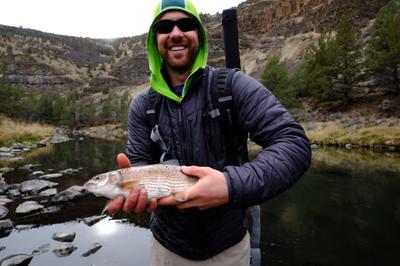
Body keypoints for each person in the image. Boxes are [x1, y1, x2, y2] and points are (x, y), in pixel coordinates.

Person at [107, 0, 312, 265]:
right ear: (154, 40)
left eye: (187, 24)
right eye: (165, 26)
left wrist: (230, 185)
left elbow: (294, 144)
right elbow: (140, 162)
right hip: (167, 248)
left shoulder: (233, 86)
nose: (176, 33)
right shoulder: (142, 106)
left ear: (199, 36)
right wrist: (135, 186)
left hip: (229, 247)